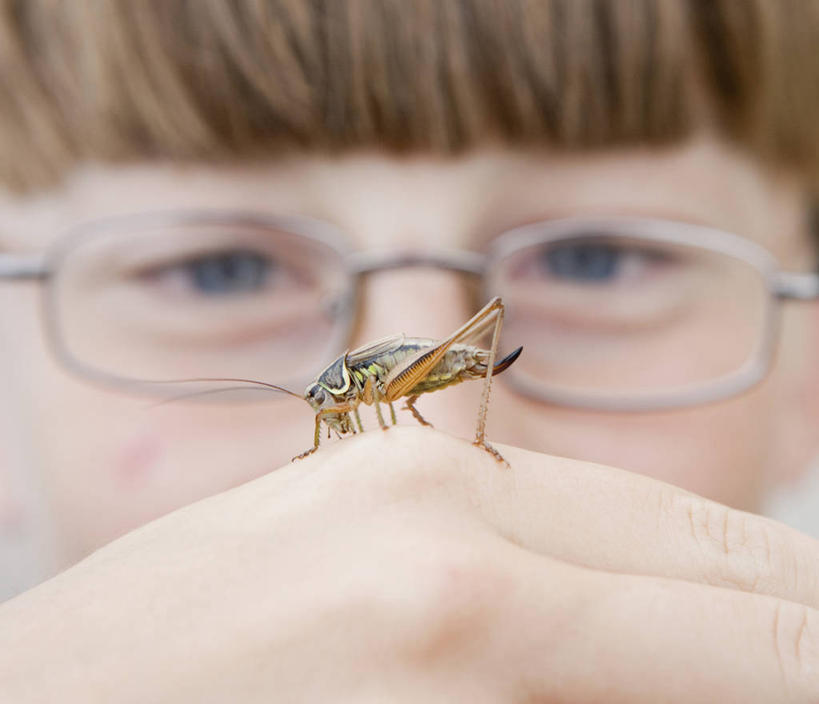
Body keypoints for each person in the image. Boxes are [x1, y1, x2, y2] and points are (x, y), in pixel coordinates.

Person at [1, 0, 818, 700]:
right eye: (221, 272)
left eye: (590, 261)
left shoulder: (390, 402)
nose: (415, 491)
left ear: (807, 367)